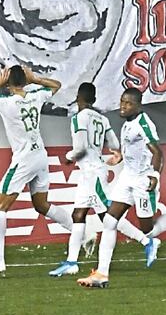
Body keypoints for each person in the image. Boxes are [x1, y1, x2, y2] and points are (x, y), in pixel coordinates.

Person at [77, 88, 166, 288]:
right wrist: (120, 156)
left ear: (138, 105)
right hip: (127, 178)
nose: (123, 106)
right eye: (122, 101)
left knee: (148, 232)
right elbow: (133, 148)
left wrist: (154, 175)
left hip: (143, 181)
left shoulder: (143, 124)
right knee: (109, 221)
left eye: (128, 103)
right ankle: (101, 273)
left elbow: (157, 152)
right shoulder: (127, 124)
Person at [0, 65, 77, 275]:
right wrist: (36, 80)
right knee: (41, 205)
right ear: (25, 81)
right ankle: (80, 232)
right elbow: (57, 85)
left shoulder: (5, 102)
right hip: (41, 156)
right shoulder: (37, 96)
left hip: (24, 159)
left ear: (8, 81)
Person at [47, 82, 155, 277]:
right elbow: (114, 144)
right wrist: (111, 153)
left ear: (78, 98)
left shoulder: (78, 118)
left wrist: (69, 157)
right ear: (94, 100)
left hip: (93, 173)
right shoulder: (102, 119)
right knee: (78, 215)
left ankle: (146, 241)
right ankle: (71, 262)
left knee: (108, 217)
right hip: (91, 172)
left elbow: (79, 149)